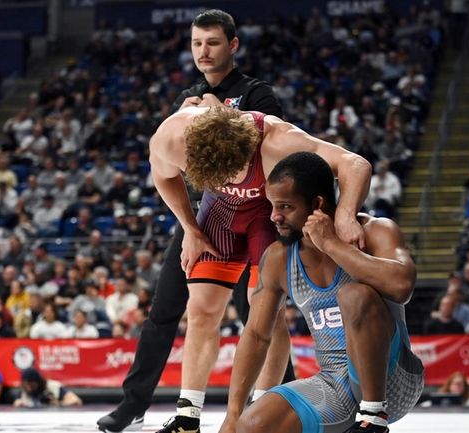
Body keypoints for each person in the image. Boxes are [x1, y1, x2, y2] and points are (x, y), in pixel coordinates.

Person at [97, 9, 288, 433]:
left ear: (233, 46)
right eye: (197, 43)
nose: (203, 51)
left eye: (213, 42)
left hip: (257, 215)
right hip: (208, 218)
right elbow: (166, 161)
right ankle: (136, 405)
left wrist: (217, 112)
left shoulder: (258, 94)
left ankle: (278, 403)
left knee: (263, 313)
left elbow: (276, 155)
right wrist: (189, 230)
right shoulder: (188, 98)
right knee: (166, 310)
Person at [148, 104, 371, 432]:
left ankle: (261, 407)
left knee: (265, 309)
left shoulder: (278, 141)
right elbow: (162, 176)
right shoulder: (172, 136)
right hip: (218, 211)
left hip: (265, 213)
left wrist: (346, 214)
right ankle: (188, 413)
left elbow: (355, 164)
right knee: (201, 309)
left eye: (231, 174)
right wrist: (190, 229)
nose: (228, 181)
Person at [219, 153, 421, 433]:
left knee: (354, 295)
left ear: (317, 205)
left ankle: (373, 419)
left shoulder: (374, 231)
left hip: (394, 380)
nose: (274, 216)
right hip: (334, 385)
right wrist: (233, 416)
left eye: (286, 206)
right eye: (272, 206)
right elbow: (256, 335)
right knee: (250, 425)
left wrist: (331, 244)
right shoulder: (279, 258)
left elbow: (402, 286)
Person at [13, 367, 82, 408]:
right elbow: (16, 403)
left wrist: (59, 404)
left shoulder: (53, 387)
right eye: (26, 385)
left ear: (38, 382)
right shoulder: (23, 391)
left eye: (32, 385)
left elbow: (76, 401)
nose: (29, 388)